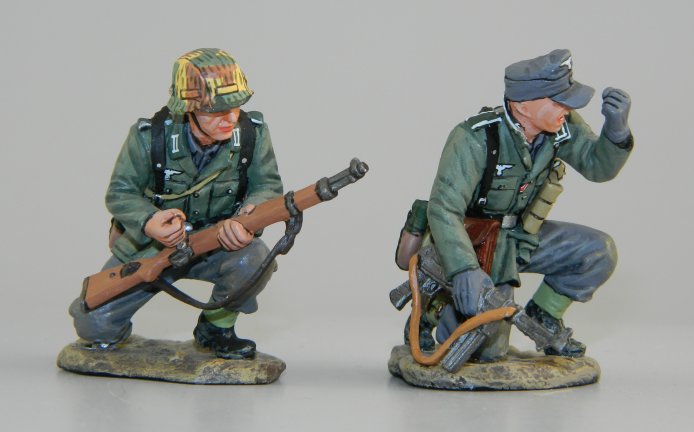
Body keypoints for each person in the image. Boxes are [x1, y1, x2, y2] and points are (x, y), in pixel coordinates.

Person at [69, 48, 283, 359]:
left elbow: (267, 185)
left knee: (254, 260)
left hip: (216, 243)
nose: (230, 119)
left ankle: (216, 328)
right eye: (216, 111)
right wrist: (149, 222)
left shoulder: (251, 134)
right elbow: (120, 192)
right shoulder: (149, 137)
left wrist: (248, 218)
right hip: (152, 248)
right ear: (189, 109)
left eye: (236, 107)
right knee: (94, 325)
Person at [426, 49, 633, 360]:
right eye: (557, 101)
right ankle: (436, 311)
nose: (566, 108)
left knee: (597, 251)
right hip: (477, 245)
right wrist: (464, 269)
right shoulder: (475, 137)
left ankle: (544, 314)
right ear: (523, 105)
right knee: (486, 352)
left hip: (522, 238)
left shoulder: (561, 127)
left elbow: (597, 167)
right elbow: (444, 209)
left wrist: (616, 133)